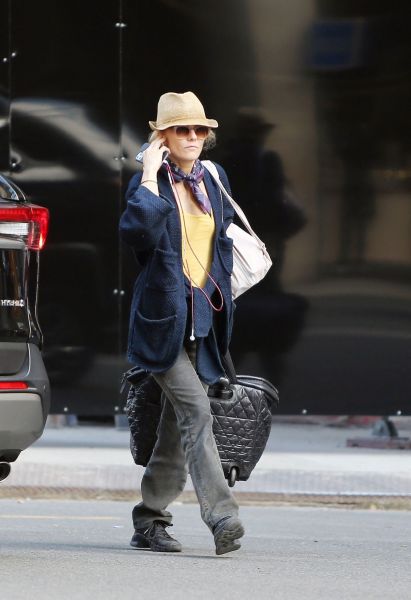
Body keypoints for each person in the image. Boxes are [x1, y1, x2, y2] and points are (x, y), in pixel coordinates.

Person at [119, 91, 244, 555]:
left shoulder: (214, 178)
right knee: (197, 410)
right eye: (180, 130)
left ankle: (149, 521)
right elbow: (138, 234)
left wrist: (221, 295)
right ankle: (223, 516)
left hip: (203, 321)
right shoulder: (147, 185)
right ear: (162, 137)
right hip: (161, 324)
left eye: (198, 130)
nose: (192, 137)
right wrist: (150, 174)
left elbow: (223, 240)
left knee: (175, 427)